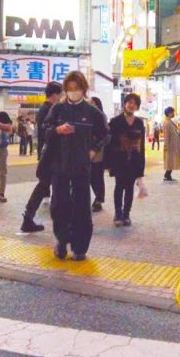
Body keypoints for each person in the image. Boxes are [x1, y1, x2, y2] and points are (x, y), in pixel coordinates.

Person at [44, 71, 109, 261]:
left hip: (81, 167)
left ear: (84, 89)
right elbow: (44, 130)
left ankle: (80, 247)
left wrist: (93, 150)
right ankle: (62, 241)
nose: (73, 92)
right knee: (59, 205)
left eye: (77, 89)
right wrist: (57, 130)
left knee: (82, 207)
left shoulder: (92, 112)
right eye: (70, 89)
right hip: (59, 165)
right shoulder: (57, 109)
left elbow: (106, 134)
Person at [20, 82, 62, 234]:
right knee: (45, 186)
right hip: (51, 156)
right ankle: (28, 218)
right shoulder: (50, 109)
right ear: (55, 94)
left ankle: (28, 218)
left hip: (47, 154)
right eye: (60, 94)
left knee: (44, 186)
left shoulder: (43, 109)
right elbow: (49, 134)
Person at [107, 93, 146, 227]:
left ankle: (126, 214)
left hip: (133, 160)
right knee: (119, 186)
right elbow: (109, 143)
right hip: (119, 160)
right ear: (125, 104)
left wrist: (141, 167)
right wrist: (109, 163)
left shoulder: (139, 123)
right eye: (129, 102)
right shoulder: (115, 121)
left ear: (137, 106)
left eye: (134, 103)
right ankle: (118, 213)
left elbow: (142, 146)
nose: (131, 105)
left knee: (129, 187)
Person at [88, 96, 108, 212]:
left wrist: (96, 148)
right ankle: (97, 198)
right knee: (90, 175)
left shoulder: (101, 116)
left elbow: (106, 135)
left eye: (92, 103)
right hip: (87, 149)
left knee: (97, 175)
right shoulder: (87, 116)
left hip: (98, 150)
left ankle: (99, 199)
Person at [162, 108, 180, 181]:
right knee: (170, 161)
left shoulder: (170, 122)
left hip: (173, 146)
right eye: (173, 112)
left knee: (171, 161)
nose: (174, 114)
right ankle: (167, 174)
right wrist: (166, 146)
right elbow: (166, 135)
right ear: (169, 113)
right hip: (170, 146)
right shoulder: (167, 123)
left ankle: (168, 174)